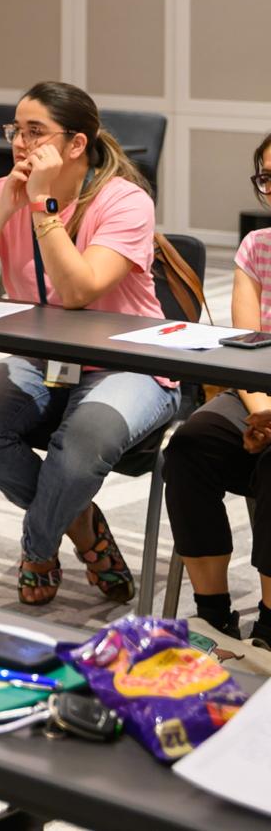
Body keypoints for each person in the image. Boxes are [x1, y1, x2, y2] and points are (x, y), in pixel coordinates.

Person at [0, 80, 179, 606]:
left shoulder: (124, 200)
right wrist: (3, 209)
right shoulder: (2, 192)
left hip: (131, 363)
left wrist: (42, 206)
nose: (20, 143)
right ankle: (84, 526)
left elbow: (77, 292)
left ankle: (39, 548)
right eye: (16, 130)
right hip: (43, 358)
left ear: (76, 144)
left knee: (81, 446)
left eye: (35, 132)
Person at [162, 133, 271, 646]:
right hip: (259, 390)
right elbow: (246, 346)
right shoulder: (258, 247)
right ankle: (213, 615)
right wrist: (262, 409)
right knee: (190, 445)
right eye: (268, 179)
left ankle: (270, 624)